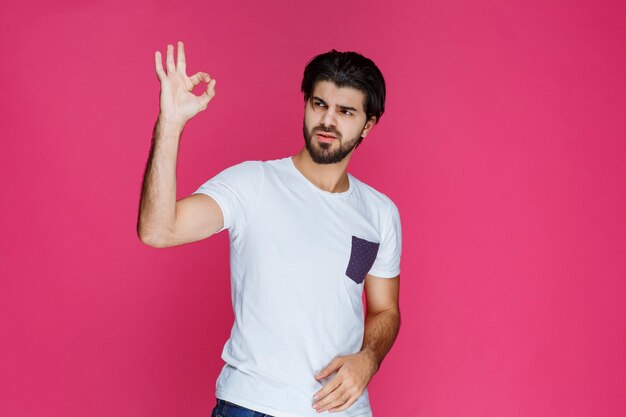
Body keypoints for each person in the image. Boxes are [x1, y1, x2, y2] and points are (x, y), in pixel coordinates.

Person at [138, 41, 402, 417]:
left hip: (345, 411)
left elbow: (385, 309)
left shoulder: (380, 213)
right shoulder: (253, 183)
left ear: (368, 125)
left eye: (346, 111)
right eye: (319, 104)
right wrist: (170, 124)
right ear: (307, 104)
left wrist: (369, 359)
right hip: (254, 405)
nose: (328, 121)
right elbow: (157, 230)